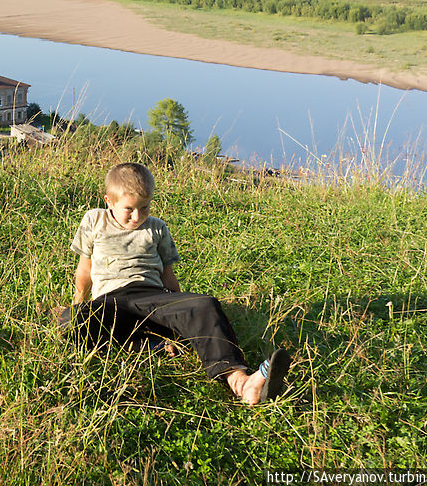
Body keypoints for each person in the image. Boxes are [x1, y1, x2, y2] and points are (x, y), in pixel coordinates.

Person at [63, 162, 289, 405]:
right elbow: (85, 268)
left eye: (144, 207)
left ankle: (241, 382)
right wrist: (78, 302)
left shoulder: (157, 228)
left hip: (152, 296)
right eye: (129, 209)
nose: (137, 216)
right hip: (111, 301)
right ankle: (147, 345)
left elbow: (168, 275)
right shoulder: (94, 220)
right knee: (70, 320)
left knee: (204, 304)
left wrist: (180, 308)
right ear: (109, 201)